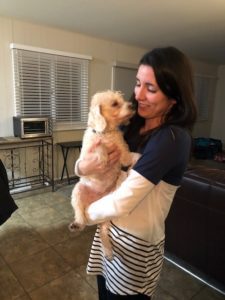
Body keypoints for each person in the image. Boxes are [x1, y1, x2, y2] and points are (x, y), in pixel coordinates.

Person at [75, 46, 197, 299]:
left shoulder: (172, 139)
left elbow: (123, 201)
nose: (138, 95)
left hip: (134, 245)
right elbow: (90, 159)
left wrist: (85, 214)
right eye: (138, 83)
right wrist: (82, 168)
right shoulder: (132, 126)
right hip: (108, 231)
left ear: (174, 96)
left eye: (151, 88)